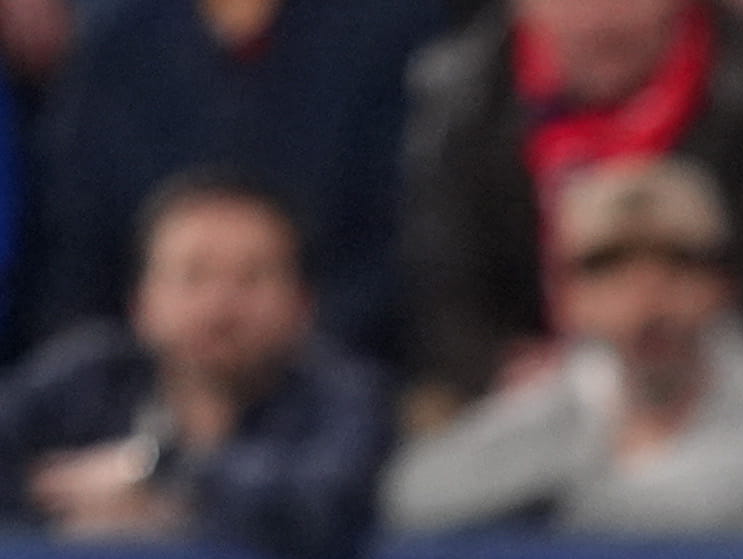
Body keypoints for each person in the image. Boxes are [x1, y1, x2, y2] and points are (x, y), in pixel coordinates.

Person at [398, 0, 743, 416]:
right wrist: (502, 372)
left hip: (731, 394)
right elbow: (447, 296)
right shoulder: (463, 98)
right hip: (539, 404)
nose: (600, 22)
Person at [382, 155, 743, 533]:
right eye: (609, 268)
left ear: (724, 284)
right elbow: (409, 496)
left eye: (679, 263)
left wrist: (570, 500)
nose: (648, 296)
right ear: (567, 298)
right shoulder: (552, 409)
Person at [1, 165, 389, 559]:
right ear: (141, 301)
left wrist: (159, 478)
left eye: (252, 278)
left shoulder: (342, 396)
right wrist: (62, 512)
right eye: (193, 276)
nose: (220, 307)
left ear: (304, 304)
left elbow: (327, 510)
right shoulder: (85, 379)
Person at [23, 0, 439, 359]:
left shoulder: (388, 27)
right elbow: (77, 255)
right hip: (146, 383)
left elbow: (407, 235)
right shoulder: (113, 42)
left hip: (353, 365)